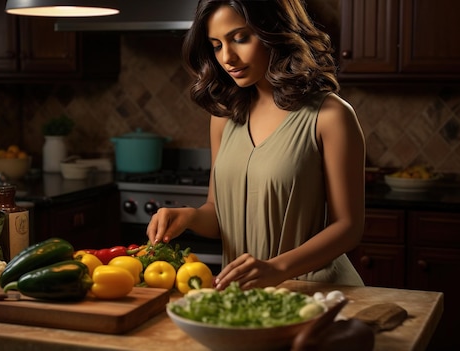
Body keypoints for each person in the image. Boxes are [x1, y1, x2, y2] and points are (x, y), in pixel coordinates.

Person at [146, 0, 366, 289]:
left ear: (276, 32)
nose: (227, 57)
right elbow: (218, 213)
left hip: (319, 292)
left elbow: (348, 228)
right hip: (245, 297)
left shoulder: (330, 116)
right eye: (216, 45)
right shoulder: (224, 117)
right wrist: (188, 217)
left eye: (240, 38)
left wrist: (277, 268)